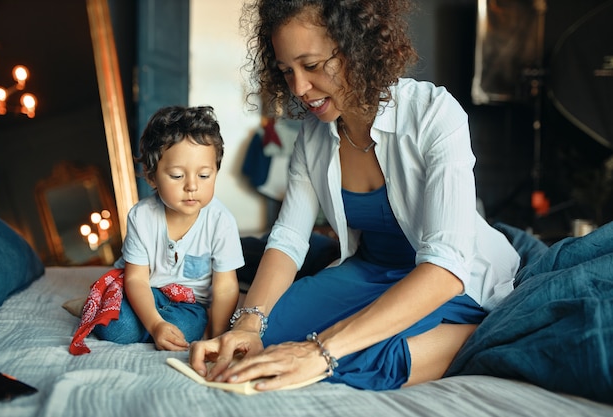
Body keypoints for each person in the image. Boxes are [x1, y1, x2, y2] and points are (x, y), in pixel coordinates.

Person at [189, 0, 520, 391]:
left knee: (364, 359)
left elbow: (445, 268)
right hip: (371, 270)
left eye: (310, 66)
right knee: (266, 339)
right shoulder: (313, 137)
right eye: (286, 71)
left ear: (357, 47)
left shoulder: (435, 115)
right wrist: (248, 322)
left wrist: (320, 351)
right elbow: (289, 240)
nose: (298, 88)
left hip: (446, 277)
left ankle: (474, 332)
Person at [88, 106, 244, 352]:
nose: (192, 186)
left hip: (189, 304)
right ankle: (96, 306)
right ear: (152, 177)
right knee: (116, 328)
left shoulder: (221, 222)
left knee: (188, 329)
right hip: (145, 291)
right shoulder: (142, 217)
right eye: (176, 176)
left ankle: (117, 313)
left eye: (204, 176)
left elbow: (225, 286)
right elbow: (136, 279)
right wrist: (155, 324)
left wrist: (216, 335)